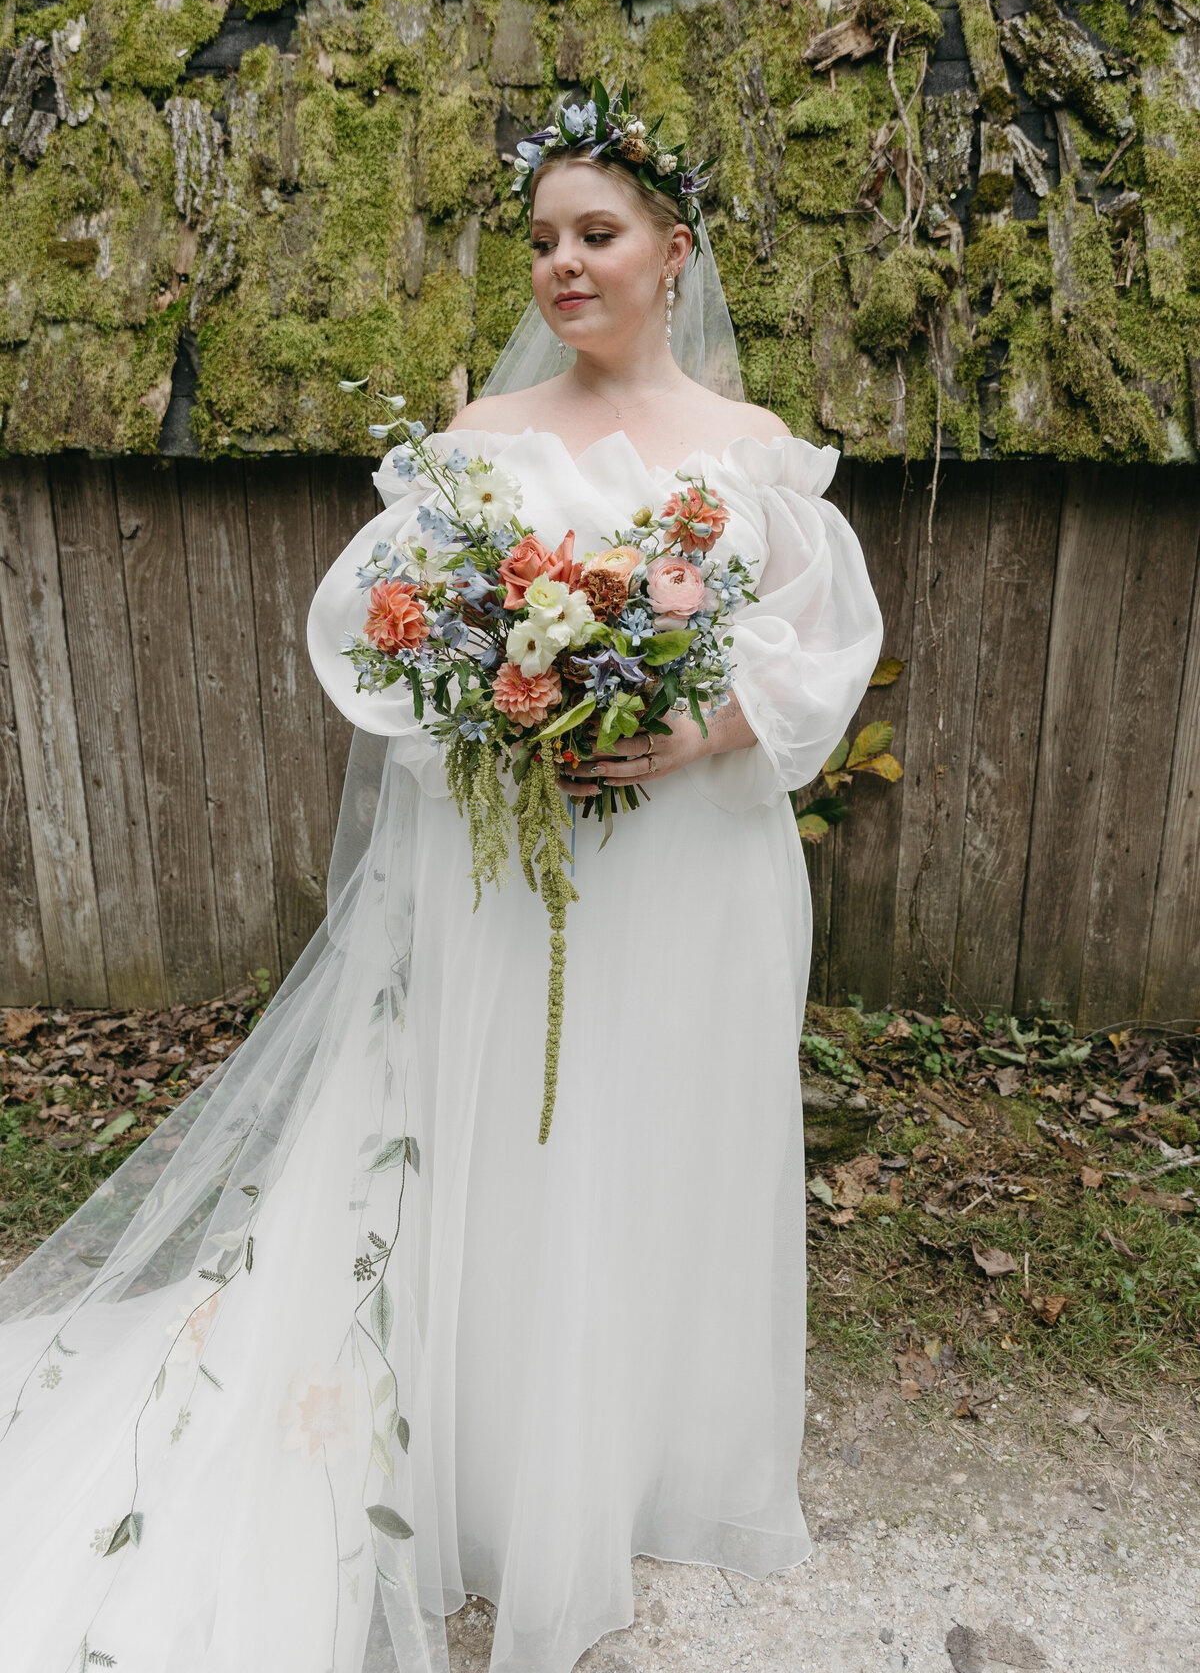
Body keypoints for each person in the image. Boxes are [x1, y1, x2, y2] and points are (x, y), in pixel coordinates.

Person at [0, 84, 883, 1673]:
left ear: (671, 252)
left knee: (653, 1141)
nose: (561, 263)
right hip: (507, 881)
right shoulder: (475, 450)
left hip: (694, 871)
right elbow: (372, 639)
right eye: (540, 238)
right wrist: (506, 702)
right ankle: (469, 1469)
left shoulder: (754, 455)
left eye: (596, 234)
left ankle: (619, 1464)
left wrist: (704, 725)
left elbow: (825, 656)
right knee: (506, 1138)